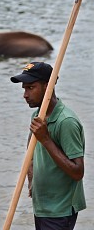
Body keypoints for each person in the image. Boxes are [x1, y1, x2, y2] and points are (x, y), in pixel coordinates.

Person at [10, 62, 86, 230]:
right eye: (24, 89)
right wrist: (32, 180)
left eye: (30, 88)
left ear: (47, 86)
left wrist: (46, 139)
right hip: (43, 205)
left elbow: (77, 172)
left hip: (60, 209)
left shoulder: (66, 122)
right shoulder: (38, 115)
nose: (25, 94)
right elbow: (31, 151)